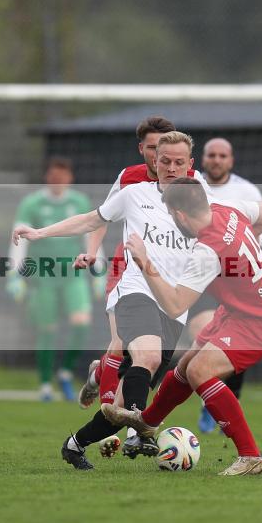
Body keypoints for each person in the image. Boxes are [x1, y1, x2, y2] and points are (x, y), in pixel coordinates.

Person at [13, 131, 206, 470]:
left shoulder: (198, 199)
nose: (171, 167)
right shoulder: (133, 194)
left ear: (190, 165)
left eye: (179, 162)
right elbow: (91, 219)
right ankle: (143, 433)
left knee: (124, 398)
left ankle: (75, 445)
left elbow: (231, 225)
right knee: (144, 358)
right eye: (165, 161)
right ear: (154, 161)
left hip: (174, 302)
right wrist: (39, 232)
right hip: (135, 290)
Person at [101, 176, 262, 475]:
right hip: (238, 312)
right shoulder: (228, 210)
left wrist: (145, 263)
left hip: (259, 322)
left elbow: (175, 305)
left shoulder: (206, 251)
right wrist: (242, 239)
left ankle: (251, 456)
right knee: (187, 365)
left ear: (180, 215)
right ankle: (147, 422)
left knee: (201, 371)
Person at [74, 116, 176, 418]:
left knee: (145, 356)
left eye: (166, 147)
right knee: (121, 340)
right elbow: (100, 217)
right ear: (141, 148)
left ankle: (98, 374)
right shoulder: (129, 177)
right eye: (153, 148)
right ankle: (110, 415)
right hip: (127, 266)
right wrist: (92, 252)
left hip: (167, 275)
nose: (160, 156)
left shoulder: (189, 179)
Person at [191, 136, 262, 434]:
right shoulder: (191, 188)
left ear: (231, 160)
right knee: (199, 338)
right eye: (211, 155)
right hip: (204, 275)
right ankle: (206, 404)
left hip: (239, 279)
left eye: (222, 155)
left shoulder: (245, 190)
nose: (216, 160)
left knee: (235, 345)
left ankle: (224, 405)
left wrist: (239, 247)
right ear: (203, 159)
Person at [8, 157, 97, 401]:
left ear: (70, 178)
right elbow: (18, 238)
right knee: (47, 329)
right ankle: (45, 385)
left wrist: (99, 269)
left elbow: (91, 234)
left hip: (73, 274)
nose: (58, 181)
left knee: (81, 322)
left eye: (63, 176)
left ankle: (66, 373)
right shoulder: (32, 203)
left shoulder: (80, 201)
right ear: (47, 177)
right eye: (54, 176)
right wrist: (14, 274)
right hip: (43, 276)